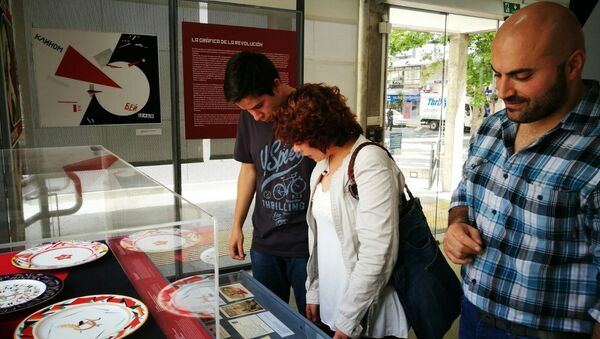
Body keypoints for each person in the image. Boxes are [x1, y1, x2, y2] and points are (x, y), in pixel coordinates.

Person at [442, 2, 600, 338]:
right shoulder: (492, 126)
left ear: (573, 65)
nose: (502, 92)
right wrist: (456, 225)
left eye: (522, 75)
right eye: (498, 73)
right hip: (471, 313)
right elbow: (465, 193)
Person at [274, 83, 409, 339]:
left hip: (365, 312)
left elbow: (378, 252)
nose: (296, 149)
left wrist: (348, 319)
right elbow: (319, 240)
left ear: (320, 131)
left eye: (299, 140)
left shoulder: (370, 162)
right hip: (333, 300)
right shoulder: (322, 165)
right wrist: (313, 291)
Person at [223, 51, 315, 316]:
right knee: (266, 319)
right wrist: (236, 225)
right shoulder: (249, 117)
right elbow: (249, 170)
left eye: (259, 105)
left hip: (307, 244)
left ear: (276, 84)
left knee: (316, 323)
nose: (256, 116)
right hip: (265, 242)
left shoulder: (309, 110)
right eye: (247, 110)